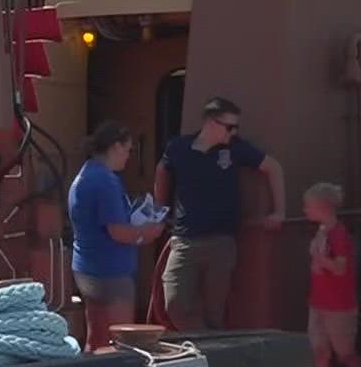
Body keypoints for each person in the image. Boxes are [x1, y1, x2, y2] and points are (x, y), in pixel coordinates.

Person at [153, 97, 286, 331]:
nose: (234, 132)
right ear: (211, 123)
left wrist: (279, 211)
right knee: (174, 302)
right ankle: (204, 343)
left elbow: (273, 168)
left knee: (214, 310)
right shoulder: (179, 148)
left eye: (236, 127)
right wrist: (159, 210)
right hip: (184, 242)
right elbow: (162, 170)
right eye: (229, 126)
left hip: (221, 242)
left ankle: (210, 356)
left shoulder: (234, 148)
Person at [69, 122, 164, 350]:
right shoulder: (106, 181)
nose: (129, 157)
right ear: (115, 147)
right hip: (110, 273)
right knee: (120, 342)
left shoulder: (86, 174)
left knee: (95, 337)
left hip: (87, 268)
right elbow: (117, 232)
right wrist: (146, 234)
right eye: (128, 150)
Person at [303, 182, 361, 367]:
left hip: (339, 305)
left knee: (345, 353)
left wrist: (319, 260)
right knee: (319, 351)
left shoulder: (338, 235)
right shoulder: (322, 232)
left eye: (309, 206)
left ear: (323, 207)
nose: (305, 210)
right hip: (319, 302)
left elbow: (340, 268)